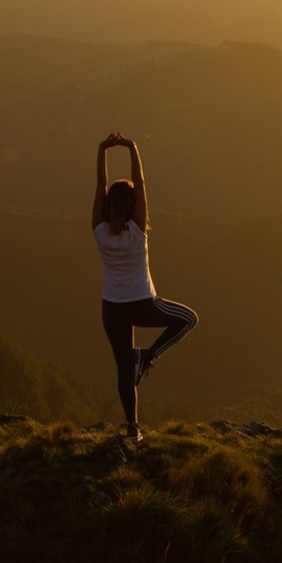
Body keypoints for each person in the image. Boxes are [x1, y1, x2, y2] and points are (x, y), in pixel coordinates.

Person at [92, 132, 198, 443]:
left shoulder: (99, 230)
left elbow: (100, 185)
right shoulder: (138, 230)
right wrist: (132, 147)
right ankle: (149, 356)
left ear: (108, 204)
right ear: (133, 205)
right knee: (189, 319)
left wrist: (102, 150)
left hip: (112, 308)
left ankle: (132, 427)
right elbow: (141, 182)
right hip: (142, 303)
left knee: (124, 370)